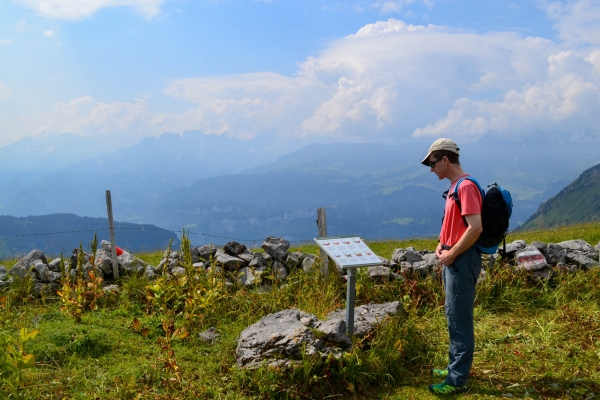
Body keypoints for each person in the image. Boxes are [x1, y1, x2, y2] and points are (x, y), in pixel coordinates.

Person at [421, 138, 483, 395]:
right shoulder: (455, 187)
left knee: (459, 319)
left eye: (433, 163)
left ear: (445, 159)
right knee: (452, 314)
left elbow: (475, 227)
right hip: (453, 257)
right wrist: (441, 245)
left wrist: (452, 252)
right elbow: (453, 224)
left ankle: (456, 380)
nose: (431, 169)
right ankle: (454, 368)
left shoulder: (465, 187)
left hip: (462, 260)